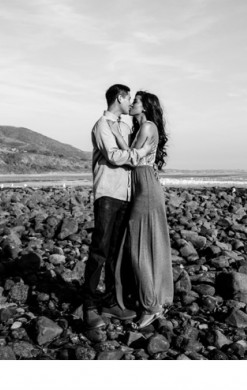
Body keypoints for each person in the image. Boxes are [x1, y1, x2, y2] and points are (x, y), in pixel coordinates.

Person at [83, 84, 152, 330]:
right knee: (100, 250)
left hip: (126, 194)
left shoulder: (126, 125)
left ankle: (112, 301)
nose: (130, 102)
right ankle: (89, 306)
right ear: (120, 98)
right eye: (129, 98)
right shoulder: (102, 125)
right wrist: (137, 156)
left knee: (116, 252)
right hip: (108, 193)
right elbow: (113, 155)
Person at [108, 90, 173, 329]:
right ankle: (149, 299)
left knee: (139, 247)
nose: (132, 104)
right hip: (142, 183)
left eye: (136, 101)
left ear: (145, 106)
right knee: (142, 244)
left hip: (144, 186)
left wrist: (114, 135)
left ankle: (151, 306)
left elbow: (131, 158)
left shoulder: (147, 127)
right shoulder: (141, 128)